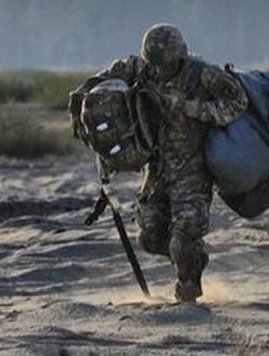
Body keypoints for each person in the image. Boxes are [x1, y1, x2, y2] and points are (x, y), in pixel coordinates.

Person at [69, 23, 248, 302]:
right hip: (157, 169)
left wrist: (193, 109)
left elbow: (237, 102)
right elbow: (95, 89)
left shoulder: (202, 75)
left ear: (179, 57)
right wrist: (88, 119)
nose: (159, 71)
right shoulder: (137, 69)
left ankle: (188, 292)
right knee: (150, 237)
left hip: (192, 170)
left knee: (183, 236)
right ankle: (192, 259)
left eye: (164, 65)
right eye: (154, 65)